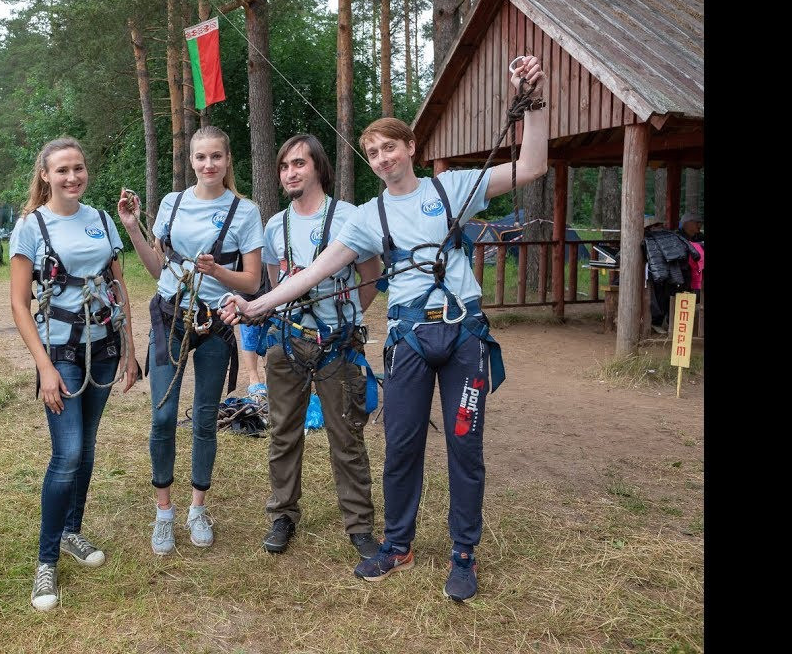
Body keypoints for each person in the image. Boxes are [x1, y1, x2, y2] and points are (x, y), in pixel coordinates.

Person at [223, 56, 548, 603]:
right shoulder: (366, 217)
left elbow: (532, 166)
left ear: (411, 147)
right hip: (409, 340)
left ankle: (463, 554)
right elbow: (313, 274)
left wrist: (532, 102)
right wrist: (256, 307)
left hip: (463, 336)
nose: (382, 158)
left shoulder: (452, 189)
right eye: (373, 153)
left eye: (389, 147)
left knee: (465, 446)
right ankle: (397, 545)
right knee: (401, 444)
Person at [117, 125, 263, 554]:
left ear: (228, 159)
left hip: (216, 323)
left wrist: (217, 272)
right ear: (192, 161)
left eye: (216, 156)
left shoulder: (245, 211)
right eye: (201, 157)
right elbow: (155, 268)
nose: (208, 164)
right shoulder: (172, 203)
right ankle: (164, 512)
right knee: (163, 417)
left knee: (204, 418)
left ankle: (197, 508)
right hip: (170, 318)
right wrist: (133, 228)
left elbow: (252, 281)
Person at [9, 137, 140, 611]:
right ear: (45, 175)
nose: (72, 177)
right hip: (60, 351)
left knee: (86, 448)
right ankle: (46, 561)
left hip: (102, 346)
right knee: (66, 454)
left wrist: (130, 349)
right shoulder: (31, 226)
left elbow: (118, 285)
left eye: (78, 168)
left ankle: (71, 532)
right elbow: (18, 304)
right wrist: (44, 367)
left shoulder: (101, 219)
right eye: (62, 170)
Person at [249, 133, 384, 559]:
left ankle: (359, 525)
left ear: (318, 168)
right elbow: (276, 285)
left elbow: (371, 276)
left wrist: (347, 318)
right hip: (287, 341)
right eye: (284, 166)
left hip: (338, 344)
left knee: (346, 436)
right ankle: (283, 514)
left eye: (299, 164)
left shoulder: (348, 217)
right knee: (283, 433)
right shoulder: (275, 225)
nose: (290, 173)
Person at [644, 215, 700, 334]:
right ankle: (656, 322)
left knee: (669, 294)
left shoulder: (672, 236)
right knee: (656, 297)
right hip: (651, 274)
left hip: (671, 271)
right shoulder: (645, 240)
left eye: (661, 225)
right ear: (649, 228)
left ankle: (669, 321)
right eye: (656, 226)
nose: (660, 227)